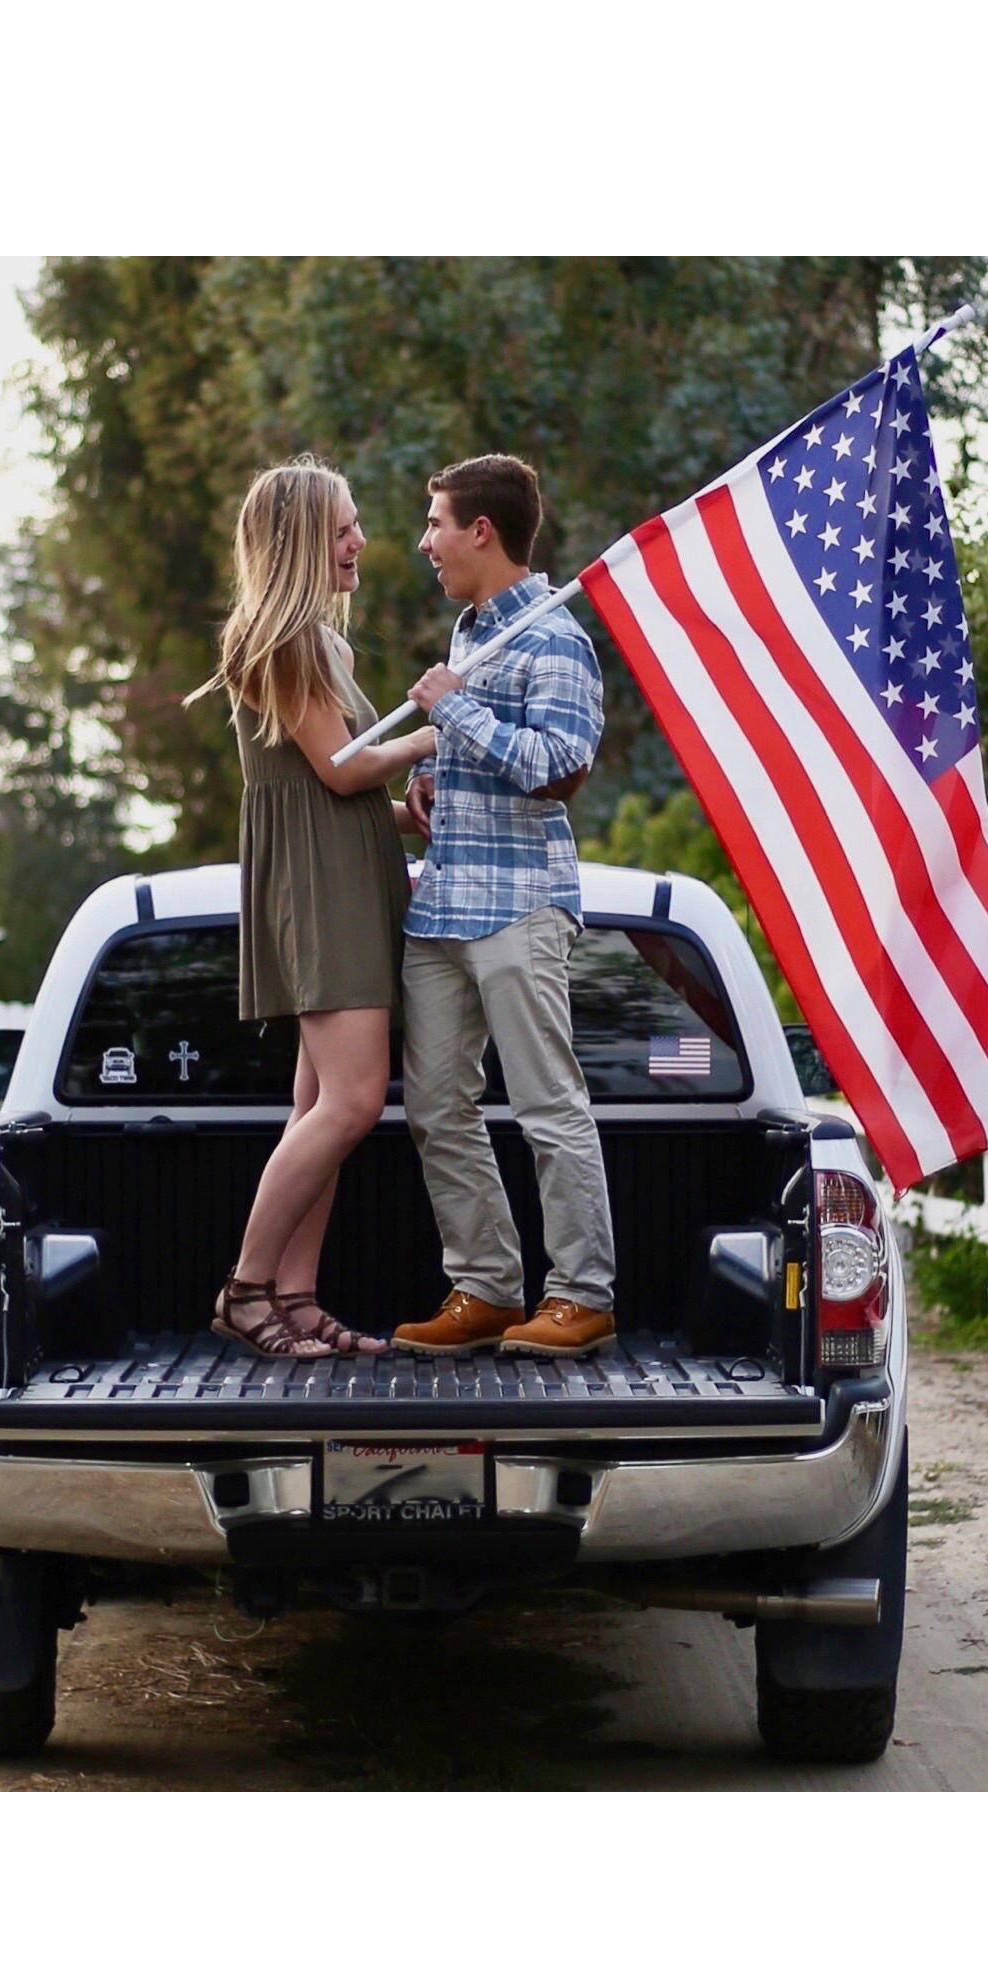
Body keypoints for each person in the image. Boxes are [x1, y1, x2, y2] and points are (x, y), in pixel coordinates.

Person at [183, 454, 438, 1358]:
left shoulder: (322, 644)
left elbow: (334, 787)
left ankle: (297, 1298)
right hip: (319, 896)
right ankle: (245, 1291)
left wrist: (404, 816)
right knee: (355, 1103)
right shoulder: (278, 639)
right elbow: (336, 768)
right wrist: (431, 728)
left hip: (345, 879)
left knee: (318, 1109)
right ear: (298, 541)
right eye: (342, 528)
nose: (360, 541)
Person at [390, 453, 615, 1358]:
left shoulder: (556, 638)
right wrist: (429, 789)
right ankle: (484, 1288)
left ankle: (583, 1297)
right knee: (437, 1107)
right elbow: (488, 767)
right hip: (441, 908)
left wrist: (456, 714)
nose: (424, 542)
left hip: (521, 907)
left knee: (547, 1106)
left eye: (436, 523)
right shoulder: (470, 632)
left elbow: (560, 770)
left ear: (481, 531)